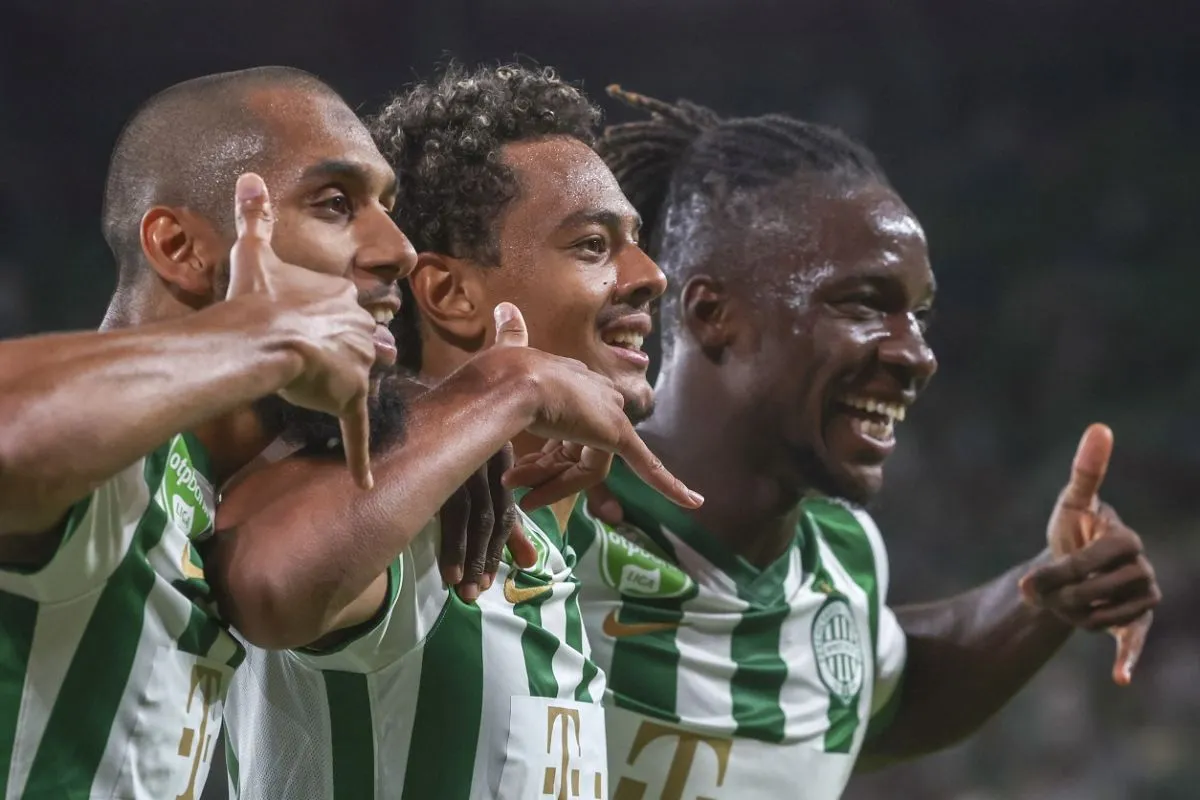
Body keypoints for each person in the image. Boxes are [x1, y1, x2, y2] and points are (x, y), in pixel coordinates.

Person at [558, 86, 1162, 800]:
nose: (917, 355)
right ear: (712, 314)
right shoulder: (548, 517)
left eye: (919, 316)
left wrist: (1049, 592)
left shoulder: (843, 559)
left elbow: (889, 697)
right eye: (864, 304)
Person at [214, 63, 700, 799]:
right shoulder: (374, 496)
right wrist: (510, 387)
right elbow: (270, 581)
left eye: (633, 240)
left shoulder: (530, 532)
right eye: (592, 246)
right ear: (449, 292)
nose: (650, 274)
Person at [0, 66, 412, 799]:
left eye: (389, 206)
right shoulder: (115, 462)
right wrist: (262, 337)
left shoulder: (205, 489)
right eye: (335, 203)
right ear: (180, 248)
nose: (399, 248)